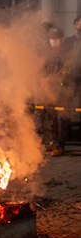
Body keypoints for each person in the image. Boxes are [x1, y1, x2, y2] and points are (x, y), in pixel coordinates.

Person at [42, 27, 72, 157]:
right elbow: (43, 66)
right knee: (51, 116)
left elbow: (68, 70)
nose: (53, 41)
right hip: (51, 89)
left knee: (62, 118)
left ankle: (61, 145)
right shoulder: (49, 52)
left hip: (64, 90)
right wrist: (43, 79)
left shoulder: (69, 52)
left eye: (55, 38)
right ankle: (53, 142)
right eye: (51, 38)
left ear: (62, 39)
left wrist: (52, 79)